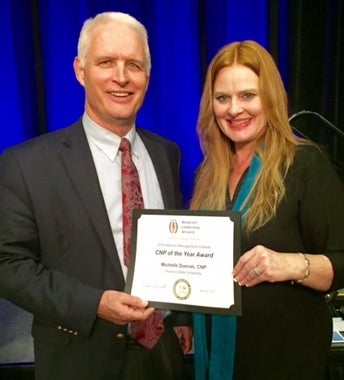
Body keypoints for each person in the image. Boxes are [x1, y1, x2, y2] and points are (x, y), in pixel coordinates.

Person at [0, 11, 193, 380]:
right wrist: (96, 304)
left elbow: (173, 246)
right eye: (106, 62)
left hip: (162, 357)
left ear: (147, 77)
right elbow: (8, 266)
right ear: (80, 70)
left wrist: (180, 315)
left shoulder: (167, 153)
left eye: (133, 65)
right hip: (79, 358)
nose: (122, 77)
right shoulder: (25, 164)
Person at [190, 40, 344, 380]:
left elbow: (341, 260)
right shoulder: (208, 173)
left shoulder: (305, 164)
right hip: (221, 358)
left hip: (285, 358)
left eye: (248, 95)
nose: (234, 109)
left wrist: (288, 263)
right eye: (222, 98)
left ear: (270, 97)